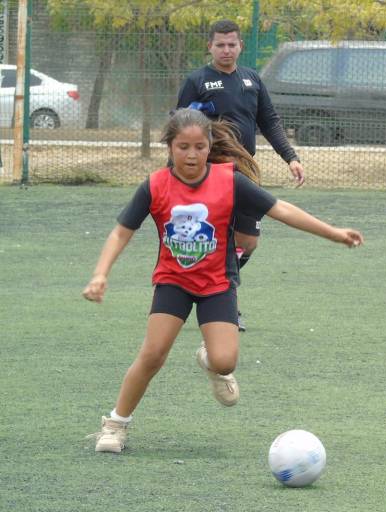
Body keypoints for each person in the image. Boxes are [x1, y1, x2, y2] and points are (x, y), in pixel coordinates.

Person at [83, 108, 363, 454]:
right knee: (153, 354)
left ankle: (212, 363)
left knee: (226, 361)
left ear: (209, 145)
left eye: (200, 146)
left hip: (217, 283)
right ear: (170, 147)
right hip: (173, 281)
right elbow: (121, 233)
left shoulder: (229, 181)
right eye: (183, 146)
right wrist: (100, 274)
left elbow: (282, 210)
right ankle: (115, 424)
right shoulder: (155, 186)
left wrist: (333, 233)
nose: (192, 154)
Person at [177, 19, 305, 331]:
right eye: (220, 44)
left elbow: (270, 121)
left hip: (246, 172)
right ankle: (225, 305)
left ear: (240, 46)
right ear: (210, 46)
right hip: (213, 173)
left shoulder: (251, 80)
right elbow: (179, 126)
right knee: (220, 238)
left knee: (248, 242)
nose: (226, 49)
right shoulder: (198, 81)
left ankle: (213, 285)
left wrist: (291, 157)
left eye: (231, 44)